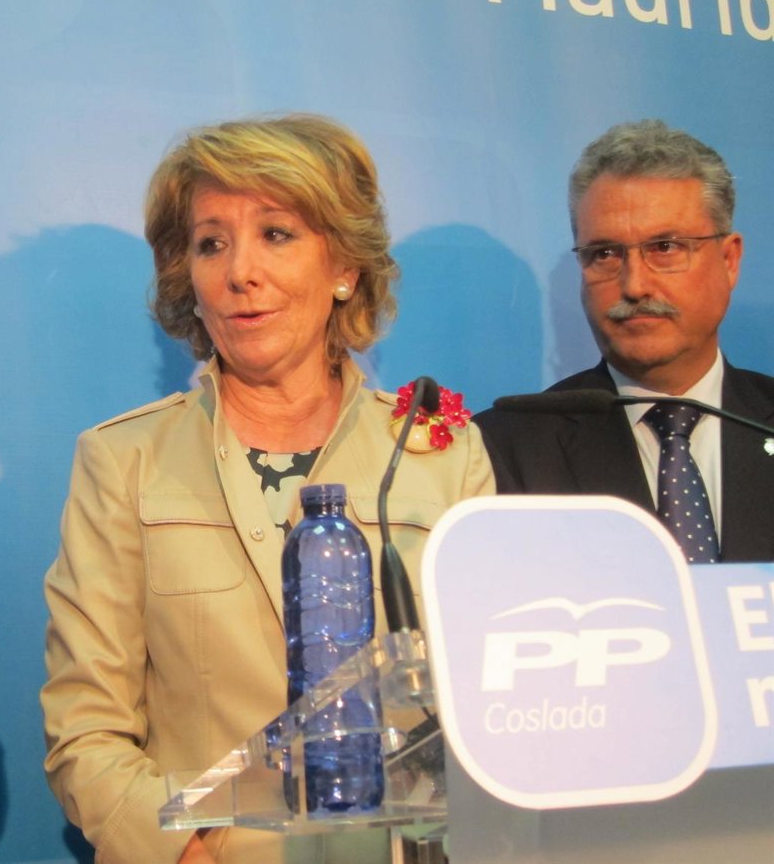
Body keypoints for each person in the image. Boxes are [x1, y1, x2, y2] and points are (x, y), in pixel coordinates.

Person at [40, 114, 494, 863]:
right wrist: (185, 856)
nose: (239, 272)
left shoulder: (442, 455)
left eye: (276, 234)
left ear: (344, 266)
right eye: (211, 243)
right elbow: (85, 730)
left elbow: (491, 704)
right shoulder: (123, 460)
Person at [474, 119, 774, 564]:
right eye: (605, 254)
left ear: (729, 260)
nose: (634, 285)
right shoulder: (504, 449)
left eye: (665, 247)